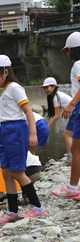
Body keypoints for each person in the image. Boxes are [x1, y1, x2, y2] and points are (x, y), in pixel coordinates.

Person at [0, 55, 47, 225]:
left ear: (5, 72)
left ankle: (37, 207)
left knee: (17, 171)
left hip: (16, 130)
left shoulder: (15, 88)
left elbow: (28, 112)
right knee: (5, 172)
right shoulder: (5, 91)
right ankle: (13, 211)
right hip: (5, 130)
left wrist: (33, 134)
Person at [0, 105, 42, 211]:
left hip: (11, 173)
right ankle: (27, 195)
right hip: (34, 170)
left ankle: (1, 199)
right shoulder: (6, 122)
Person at [52, 32, 80, 200]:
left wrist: (71, 104)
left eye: (67, 50)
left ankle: (72, 188)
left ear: (70, 50)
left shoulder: (77, 65)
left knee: (76, 150)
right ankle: (73, 187)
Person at [42, 77, 73, 165]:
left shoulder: (56, 97)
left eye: (47, 87)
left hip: (77, 114)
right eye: (44, 88)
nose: (46, 90)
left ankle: (70, 159)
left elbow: (57, 116)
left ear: (54, 86)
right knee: (70, 135)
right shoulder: (57, 95)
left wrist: (47, 126)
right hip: (76, 114)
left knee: (66, 135)